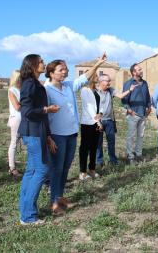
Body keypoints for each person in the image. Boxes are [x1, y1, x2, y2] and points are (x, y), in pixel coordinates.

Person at [44, 53, 107, 215]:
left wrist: (98, 63)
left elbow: (84, 78)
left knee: (65, 168)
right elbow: (43, 115)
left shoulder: (68, 85)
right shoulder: (46, 89)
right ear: (51, 73)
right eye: (60, 70)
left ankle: (60, 196)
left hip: (71, 133)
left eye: (65, 69)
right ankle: (53, 203)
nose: (64, 72)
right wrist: (48, 136)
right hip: (57, 135)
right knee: (56, 168)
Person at [18, 54, 60, 225]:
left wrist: (48, 135)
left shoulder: (34, 83)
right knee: (42, 171)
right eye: (41, 61)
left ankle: (25, 211)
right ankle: (28, 216)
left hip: (38, 132)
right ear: (33, 65)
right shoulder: (29, 84)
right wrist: (46, 109)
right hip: (33, 133)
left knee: (31, 171)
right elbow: (26, 111)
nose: (43, 63)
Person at [95, 74, 137, 168]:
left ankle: (113, 160)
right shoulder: (95, 91)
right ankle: (99, 161)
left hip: (109, 120)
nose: (109, 83)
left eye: (110, 81)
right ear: (101, 81)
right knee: (98, 142)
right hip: (98, 121)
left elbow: (121, 96)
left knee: (111, 141)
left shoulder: (110, 90)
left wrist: (130, 90)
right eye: (107, 81)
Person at [122, 63, 151, 165]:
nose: (141, 71)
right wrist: (129, 110)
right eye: (139, 69)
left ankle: (138, 154)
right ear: (134, 72)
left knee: (141, 135)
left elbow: (147, 96)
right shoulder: (128, 83)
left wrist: (149, 106)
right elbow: (124, 99)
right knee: (131, 136)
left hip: (143, 114)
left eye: (141, 69)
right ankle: (130, 156)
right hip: (133, 114)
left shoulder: (144, 83)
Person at [78, 72, 103, 180]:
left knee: (94, 147)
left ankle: (92, 169)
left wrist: (101, 113)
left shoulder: (97, 91)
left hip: (96, 121)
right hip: (88, 123)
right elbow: (89, 108)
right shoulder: (85, 90)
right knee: (85, 148)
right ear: (91, 77)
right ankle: (82, 172)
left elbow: (100, 105)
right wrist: (98, 121)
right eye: (96, 75)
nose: (98, 77)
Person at [7, 70, 22, 177]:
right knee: (14, 143)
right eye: (20, 77)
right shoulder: (12, 90)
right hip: (17, 119)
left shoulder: (22, 89)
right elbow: (17, 107)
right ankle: (12, 167)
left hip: (24, 119)